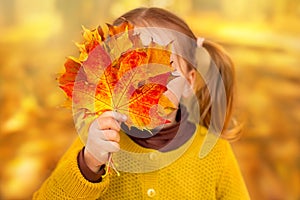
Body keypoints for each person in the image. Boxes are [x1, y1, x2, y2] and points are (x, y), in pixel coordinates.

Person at [33, 7, 250, 199]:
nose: (142, 79)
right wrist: (89, 164)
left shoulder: (215, 153)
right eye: (128, 66)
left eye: (160, 65)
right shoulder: (97, 142)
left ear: (188, 82)